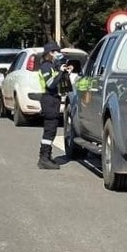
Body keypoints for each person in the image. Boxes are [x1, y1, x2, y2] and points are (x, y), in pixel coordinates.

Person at [37, 41, 72, 169]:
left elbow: (58, 81)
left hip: (53, 99)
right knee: (50, 130)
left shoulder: (52, 66)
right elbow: (50, 83)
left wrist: (65, 72)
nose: (57, 54)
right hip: (48, 99)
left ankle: (47, 156)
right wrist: (60, 72)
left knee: (51, 129)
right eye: (55, 52)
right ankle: (44, 158)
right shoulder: (46, 66)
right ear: (49, 53)